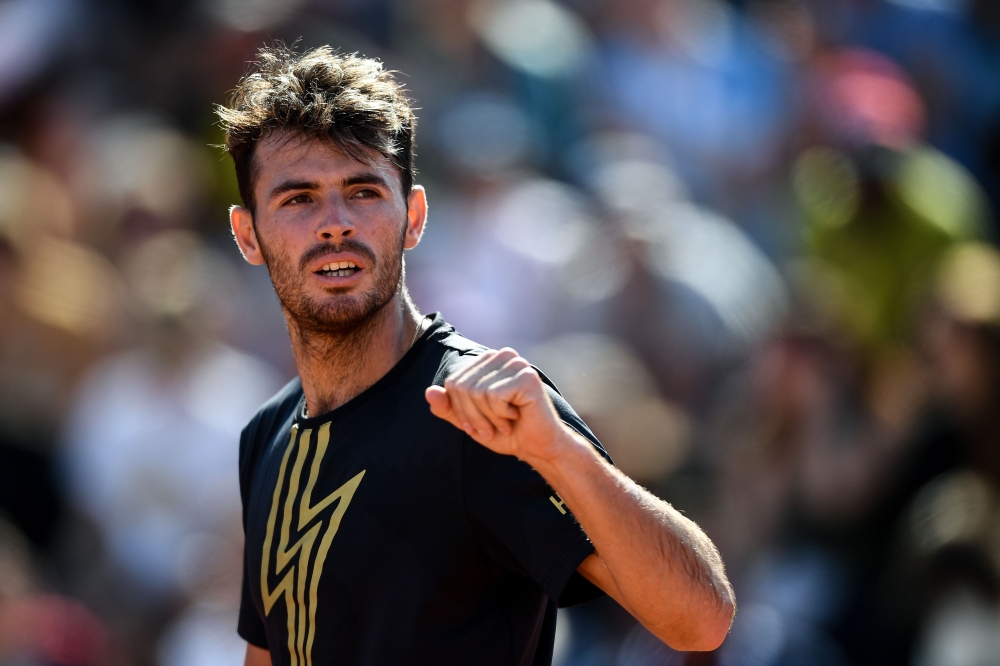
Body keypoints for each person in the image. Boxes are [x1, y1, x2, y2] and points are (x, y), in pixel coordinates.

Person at [217, 44, 735, 666]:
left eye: (363, 192)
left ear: (413, 217)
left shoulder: (479, 413)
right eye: (298, 199)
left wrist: (561, 454)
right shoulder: (266, 435)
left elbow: (701, 620)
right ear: (248, 234)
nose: (334, 223)